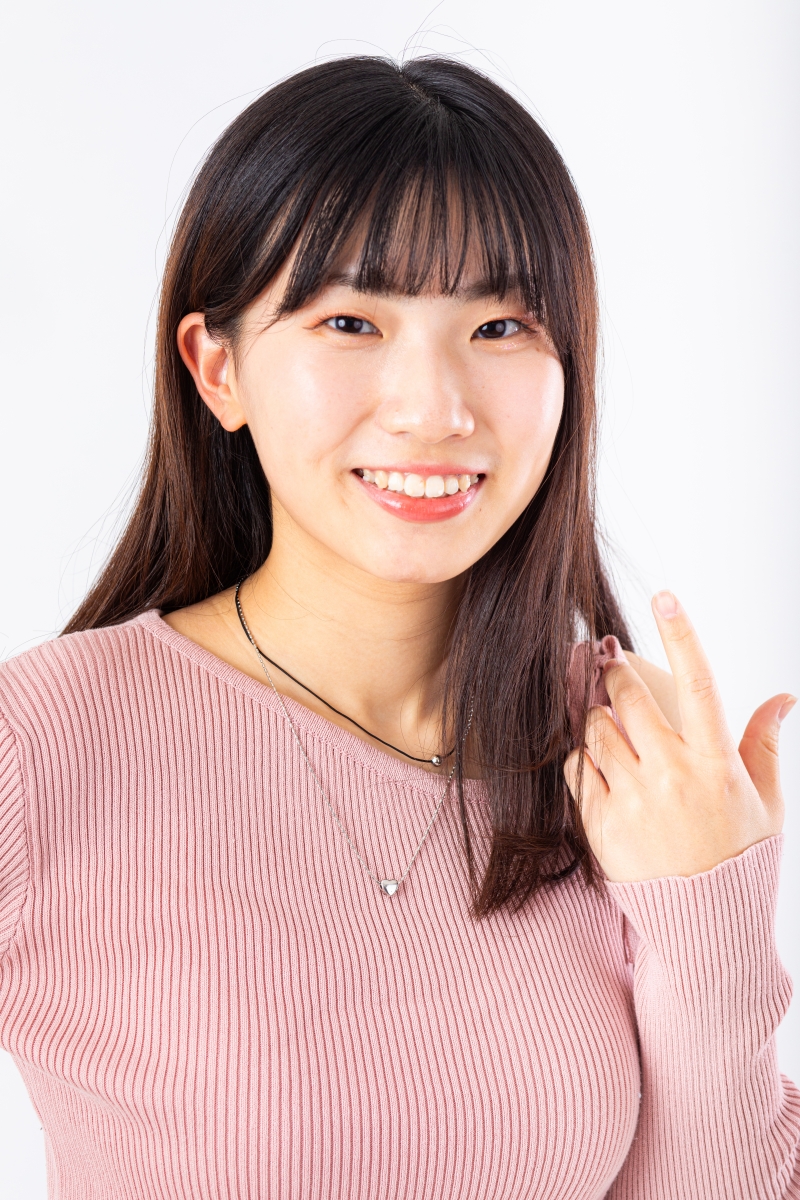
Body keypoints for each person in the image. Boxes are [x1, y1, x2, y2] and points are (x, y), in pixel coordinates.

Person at [0, 54, 796, 1199]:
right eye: (349, 321)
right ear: (217, 369)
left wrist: (707, 903)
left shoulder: (622, 756)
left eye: (500, 325)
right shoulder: (40, 748)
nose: (432, 409)